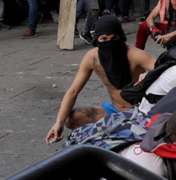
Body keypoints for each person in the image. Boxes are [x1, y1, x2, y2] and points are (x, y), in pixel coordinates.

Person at [46, 15, 156, 144]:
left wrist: (150, 75)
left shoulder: (134, 54)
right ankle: (117, 131)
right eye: (104, 39)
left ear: (121, 38)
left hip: (140, 112)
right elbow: (73, 91)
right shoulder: (92, 57)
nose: (109, 42)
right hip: (114, 111)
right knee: (69, 119)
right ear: (97, 40)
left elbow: (166, 68)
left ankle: (116, 132)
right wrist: (58, 123)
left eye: (114, 38)